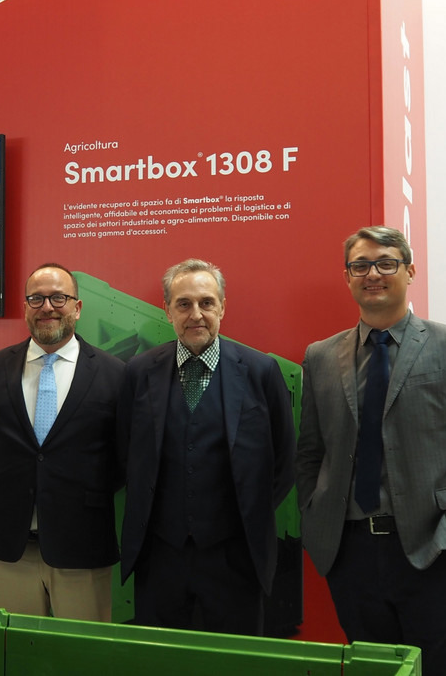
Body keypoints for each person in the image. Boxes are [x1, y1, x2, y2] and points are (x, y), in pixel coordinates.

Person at [296, 226, 446, 676]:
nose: (372, 274)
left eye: (386, 263)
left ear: (409, 271)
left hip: (435, 550)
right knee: (373, 670)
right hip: (350, 554)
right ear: (347, 277)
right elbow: (310, 452)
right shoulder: (320, 356)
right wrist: (317, 528)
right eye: (360, 266)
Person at [119, 258, 295, 635]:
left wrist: (246, 514)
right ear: (168, 311)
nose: (196, 314)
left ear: (222, 308)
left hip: (236, 556)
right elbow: (125, 451)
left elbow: (284, 459)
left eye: (206, 303)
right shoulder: (139, 372)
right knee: (160, 656)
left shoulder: (261, 371)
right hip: (159, 555)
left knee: (235, 658)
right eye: (183, 304)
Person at [0, 263, 125, 620]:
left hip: (82, 546)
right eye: (36, 299)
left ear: (77, 308)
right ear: (25, 307)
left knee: (82, 649)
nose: (47, 307)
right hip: (9, 548)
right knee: (12, 648)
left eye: (58, 298)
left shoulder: (116, 374)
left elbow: (124, 457)